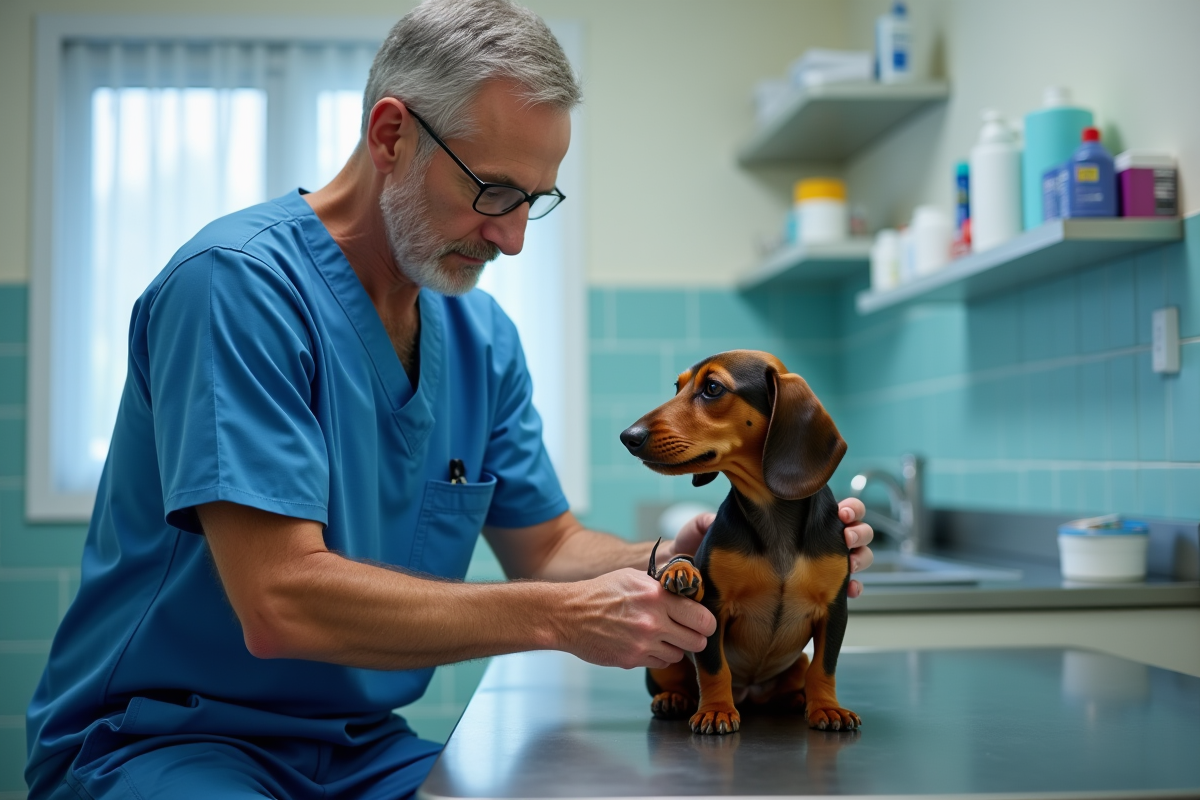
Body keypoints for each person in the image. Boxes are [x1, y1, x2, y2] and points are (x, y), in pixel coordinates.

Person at [25, 1, 875, 798]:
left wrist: (671, 558)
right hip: (165, 743)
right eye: (493, 190)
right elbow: (279, 602)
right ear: (392, 135)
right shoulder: (235, 290)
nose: (509, 236)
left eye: (532, 202)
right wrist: (562, 619)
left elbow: (546, 547)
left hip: (358, 747)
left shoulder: (481, 340)